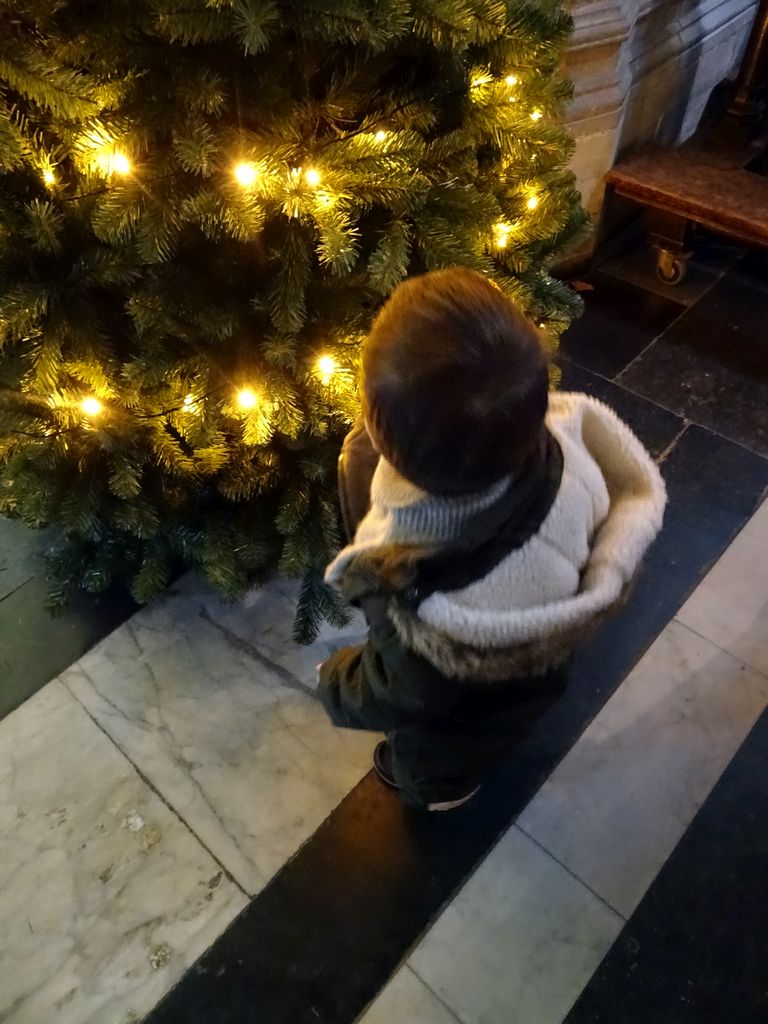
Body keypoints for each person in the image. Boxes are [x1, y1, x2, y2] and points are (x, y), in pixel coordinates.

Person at [317, 267, 667, 812]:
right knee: (508, 712)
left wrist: (336, 680)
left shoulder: (421, 591)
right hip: (536, 673)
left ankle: (442, 793)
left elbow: (401, 690)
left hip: (454, 734)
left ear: (382, 439)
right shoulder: (571, 448)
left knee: (437, 761)